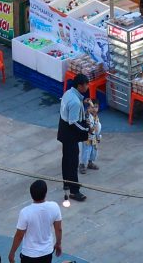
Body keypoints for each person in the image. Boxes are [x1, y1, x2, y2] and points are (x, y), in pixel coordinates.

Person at [11, 179, 63, 263]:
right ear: (45, 193)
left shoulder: (25, 212)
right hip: (47, 252)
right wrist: (58, 243)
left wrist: (12, 253)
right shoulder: (54, 207)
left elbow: (19, 236)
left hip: (29, 255)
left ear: (31, 195)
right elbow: (59, 229)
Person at [58, 71, 90, 202]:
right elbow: (74, 122)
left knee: (66, 158)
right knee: (72, 162)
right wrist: (87, 129)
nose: (87, 87)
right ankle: (74, 191)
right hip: (70, 133)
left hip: (63, 128)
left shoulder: (68, 93)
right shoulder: (75, 102)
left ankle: (66, 182)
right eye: (86, 85)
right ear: (80, 86)